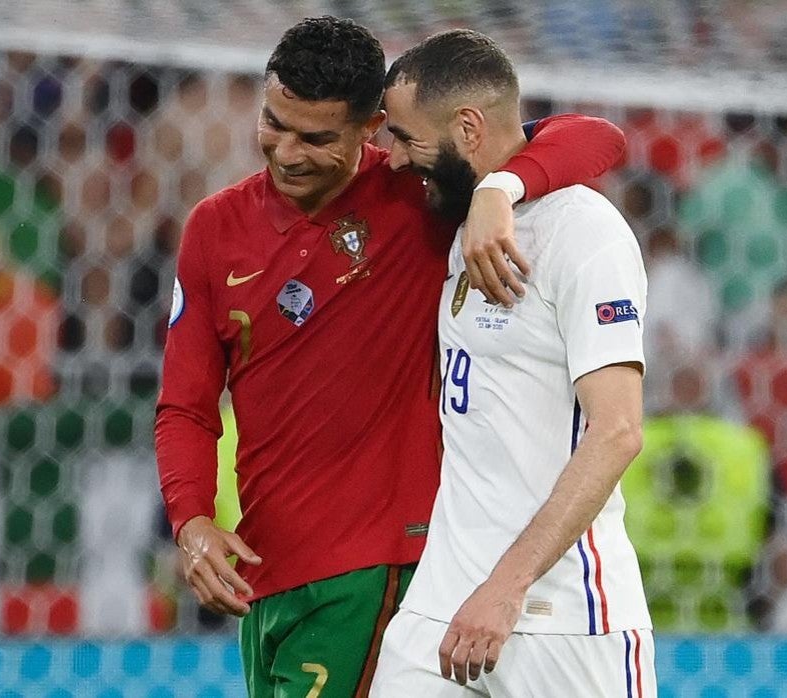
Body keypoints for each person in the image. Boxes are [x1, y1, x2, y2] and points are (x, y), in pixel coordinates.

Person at [154, 16, 627, 698]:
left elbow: (597, 138)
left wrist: (502, 189)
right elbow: (185, 404)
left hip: (379, 569)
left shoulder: (415, 197)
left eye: (316, 138)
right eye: (273, 124)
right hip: (269, 571)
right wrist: (193, 518)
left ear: (370, 127)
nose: (285, 153)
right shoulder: (214, 229)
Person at [371, 30, 655, 697]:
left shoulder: (586, 234)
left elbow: (618, 433)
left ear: (467, 128)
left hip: (563, 619)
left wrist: (507, 586)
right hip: (442, 606)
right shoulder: (466, 225)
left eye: (407, 139)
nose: (392, 160)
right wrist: (498, 189)